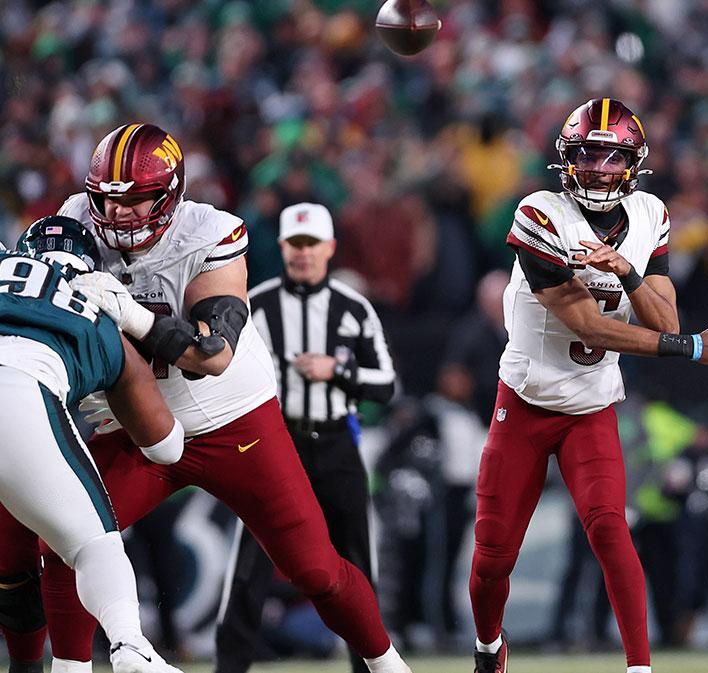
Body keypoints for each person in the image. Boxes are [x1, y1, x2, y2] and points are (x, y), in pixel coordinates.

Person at [18, 123, 411, 673]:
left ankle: (388, 665)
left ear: (171, 195)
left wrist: (127, 312)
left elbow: (212, 356)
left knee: (315, 569)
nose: (120, 215)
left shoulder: (210, 233)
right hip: (133, 422)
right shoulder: (76, 219)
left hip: (231, 419)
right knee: (64, 541)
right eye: (109, 200)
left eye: (137, 201)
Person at [469, 98, 708, 673]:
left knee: (610, 527)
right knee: (493, 555)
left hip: (593, 405)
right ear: (566, 159)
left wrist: (626, 271)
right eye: (585, 155)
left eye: (610, 157)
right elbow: (587, 324)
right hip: (528, 400)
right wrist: (694, 349)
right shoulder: (540, 212)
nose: (598, 168)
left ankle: (639, 668)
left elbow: (664, 320)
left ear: (632, 163)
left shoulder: (651, 213)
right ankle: (488, 649)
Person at [216, 202, 396, 673]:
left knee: (356, 560)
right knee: (251, 560)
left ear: (329, 248)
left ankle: (369, 666)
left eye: (311, 244)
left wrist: (336, 369)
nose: (302, 254)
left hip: (337, 442)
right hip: (278, 443)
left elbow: (387, 383)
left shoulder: (354, 307)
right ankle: (230, 667)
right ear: (282, 248)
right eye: (295, 245)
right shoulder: (255, 304)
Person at [0, 216, 185, 673]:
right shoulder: (93, 307)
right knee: (93, 545)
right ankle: (129, 643)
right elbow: (165, 445)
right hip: (20, 390)